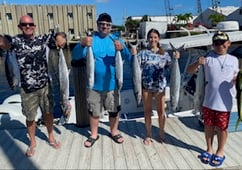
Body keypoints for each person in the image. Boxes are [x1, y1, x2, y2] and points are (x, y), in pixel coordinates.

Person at [0, 15, 66, 157]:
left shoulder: (42, 40)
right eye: (24, 24)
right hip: (27, 89)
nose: (28, 26)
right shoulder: (16, 41)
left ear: (34, 26)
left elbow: (58, 36)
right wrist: (2, 41)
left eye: (30, 24)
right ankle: (33, 142)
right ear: (20, 27)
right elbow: (4, 42)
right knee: (30, 117)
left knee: (48, 113)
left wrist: (61, 37)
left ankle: (51, 137)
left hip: (45, 86)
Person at [72, 13, 131, 147]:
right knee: (94, 111)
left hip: (112, 84)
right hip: (93, 85)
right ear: (97, 25)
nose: (104, 26)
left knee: (114, 110)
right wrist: (81, 45)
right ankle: (94, 134)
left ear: (111, 26)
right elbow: (75, 56)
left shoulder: (116, 40)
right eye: (101, 24)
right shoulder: (91, 40)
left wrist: (123, 49)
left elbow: (128, 58)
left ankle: (114, 131)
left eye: (107, 24)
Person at [186, 31, 239, 167]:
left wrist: (236, 80)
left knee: (222, 129)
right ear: (212, 45)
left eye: (222, 43)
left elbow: (236, 77)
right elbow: (189, 71)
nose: (219, 46)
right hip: (208, 100)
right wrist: (198, 63)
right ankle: (209, 149)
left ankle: (220, 151)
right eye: (216, 43)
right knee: (208, 126)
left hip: (225, 102)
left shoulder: (234, 60)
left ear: (228, 43)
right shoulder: (207, 58)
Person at [131, 28, 180, 145]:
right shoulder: (142, 54)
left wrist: (176, 58)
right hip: (146, 87)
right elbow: (134, 68)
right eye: (151, 37)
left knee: (161, 112)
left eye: (155, 37)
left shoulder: (165, 54)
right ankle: (148, 135)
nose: (153, 39)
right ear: (148, 39)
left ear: (159, 39)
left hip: (160, 88)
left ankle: (161, 133)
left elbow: (172, 69)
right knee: (147, 112)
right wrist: (133, 54)